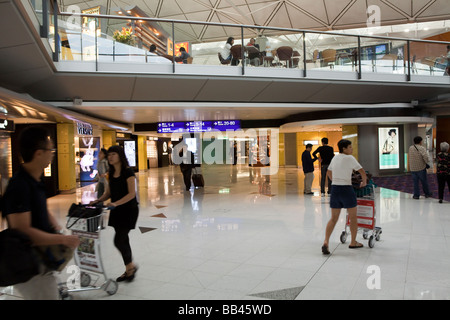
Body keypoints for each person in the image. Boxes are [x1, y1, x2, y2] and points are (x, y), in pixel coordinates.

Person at [2, 126, 80, 299]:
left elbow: (41, 208)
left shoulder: (35, 180)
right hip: (28, 265)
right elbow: (23, 231)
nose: (52, 153)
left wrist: (55, 226)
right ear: (38, 153)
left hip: (41, 259)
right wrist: (63, 239)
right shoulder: (19, 186)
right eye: (50, 149)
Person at [90, 145, 139, 282]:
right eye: (109, 155)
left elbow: (131, 194)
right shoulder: (110, 173)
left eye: (113, 154)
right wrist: (98, 200)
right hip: (116, 210)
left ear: (120, 156)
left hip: (129, 210)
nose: (110, 157)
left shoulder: (128, 172)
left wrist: (116, 203)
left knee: (119, 240)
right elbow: (109, 193)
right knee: (123, 239)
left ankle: (131, 266)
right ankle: (129, 269)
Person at [322, 139, 367, 255]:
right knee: (353, 218)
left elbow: (328, 172)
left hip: (335, 189)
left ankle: (326, 241)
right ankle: (353, 242)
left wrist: (335, 181)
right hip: (347, 189)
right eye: (350, 147)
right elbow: (362, 171)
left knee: (333, 219)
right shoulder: (350, 158)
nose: (352, 149)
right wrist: (364, 182)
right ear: (344, 149)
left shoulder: (335, 157)